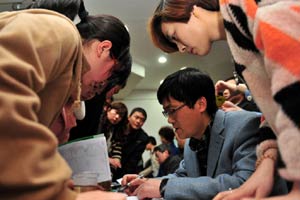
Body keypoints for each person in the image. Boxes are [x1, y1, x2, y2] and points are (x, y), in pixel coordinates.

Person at [148, 1, 300, 199]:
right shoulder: (241, 48)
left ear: (193, 9)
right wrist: (268, 161)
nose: (182, 48)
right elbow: (276, 109)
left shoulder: (268, 15)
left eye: (175, 36)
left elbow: (294, 101)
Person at [0, 0, 131, 199]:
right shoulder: (61, 30)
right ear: (103, 49)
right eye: (108, 75)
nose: (102, 85)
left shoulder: (63, 78)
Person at [121, 68, 287, 199]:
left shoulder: (245, 125)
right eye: (167, 113)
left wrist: (164, 187)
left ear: (200, 104)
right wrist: (145, 182)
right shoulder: (192, 142)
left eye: (172, 110)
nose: (170, 120)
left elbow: (244, 184)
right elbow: (181, 176)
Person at [113, 107, 149, 181]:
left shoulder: (143, 138)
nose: (138, 121)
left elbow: (133, 161)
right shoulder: (117, 127)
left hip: (125, 170)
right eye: (136, 117)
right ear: (129, 117)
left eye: (142, 120)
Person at [98, 101, 128, 171]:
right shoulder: (98, 125)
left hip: (106, 168)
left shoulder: (116, 130)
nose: (117, 117)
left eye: (121, 116)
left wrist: (116, 160)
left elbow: (117, 148)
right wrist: (108, 160)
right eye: (116, 113)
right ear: (109, 110)